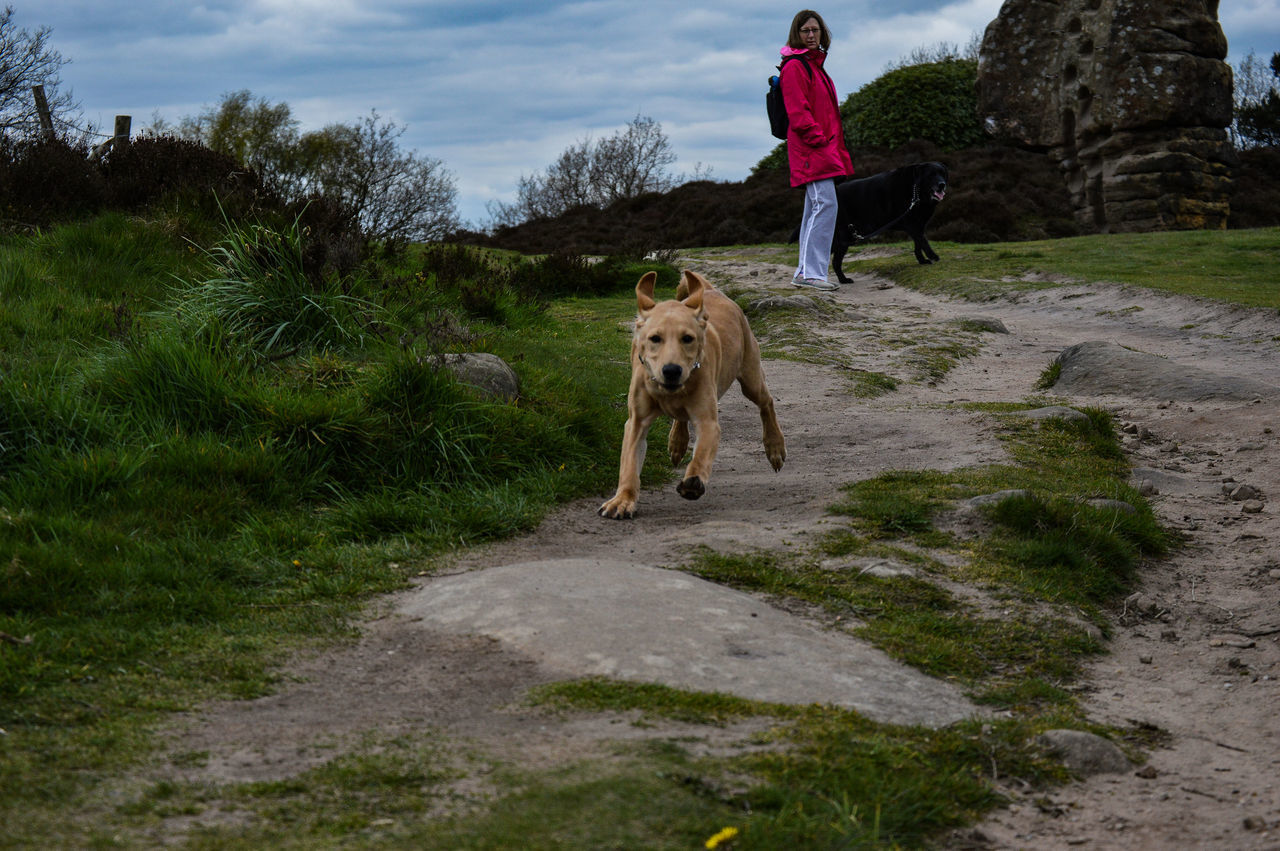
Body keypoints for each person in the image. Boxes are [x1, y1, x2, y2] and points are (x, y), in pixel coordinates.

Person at [779, 10, 854, 291]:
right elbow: (799, 114)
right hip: (812, 149)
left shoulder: (816, 67)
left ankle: (805, 271)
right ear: (796, 35)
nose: (811, 35)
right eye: (805, 31)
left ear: (823, 33)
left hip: (821, 148)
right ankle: (811, 273)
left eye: (815, 30)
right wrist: (821, 141)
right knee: (826, 205)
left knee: (815, 207)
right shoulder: (796, 67)